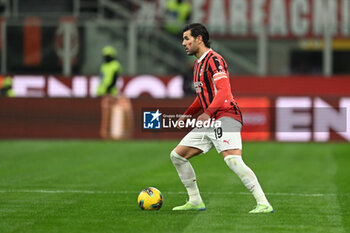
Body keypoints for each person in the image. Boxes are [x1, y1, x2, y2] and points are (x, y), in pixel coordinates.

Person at [170, 23, 273, 213]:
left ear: (199, 39)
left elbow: (224, 91)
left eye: (186, 38)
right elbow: (202, 97)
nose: (183, 43)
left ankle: (263, 203)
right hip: (210, 120)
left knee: (232, 160)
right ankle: (195, 201)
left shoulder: (214, 60)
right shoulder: (198, 64)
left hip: (226, 115)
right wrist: (186, 116)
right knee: (177, 156)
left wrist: (207, 113)